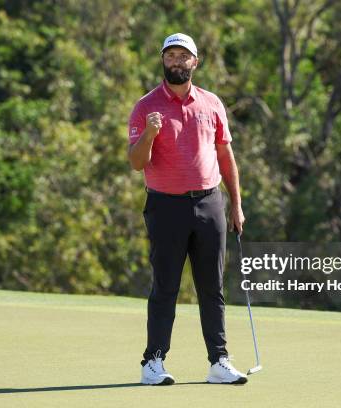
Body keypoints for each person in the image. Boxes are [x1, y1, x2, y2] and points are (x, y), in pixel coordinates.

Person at [127, 33, 247, 385]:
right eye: (171, 56)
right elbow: (136, 163)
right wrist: (149, 134)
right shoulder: (145, 106)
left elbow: (226, 157)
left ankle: (219, 361)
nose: (177, 62)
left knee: (213, 287)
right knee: (165, 287)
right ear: (162, 61)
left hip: (210, 204)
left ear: (196, 61)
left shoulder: (212, 103)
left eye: (184, 56)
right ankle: (153, 362)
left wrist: (236, 206)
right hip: (165, 206)